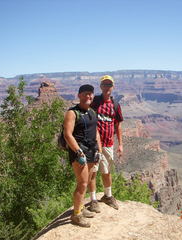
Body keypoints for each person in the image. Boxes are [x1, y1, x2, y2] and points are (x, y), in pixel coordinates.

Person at [63, 84, 103, 228]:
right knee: (82, 183)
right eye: (85, 94)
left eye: (90, 94)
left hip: (92, 150)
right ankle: (76, 215)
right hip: (79, 151)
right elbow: (67, 134)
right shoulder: (72, 113)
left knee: (90, 178)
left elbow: (96, 132)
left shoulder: (92, 112)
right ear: (79, 95)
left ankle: (80, 208)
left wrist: (99, 150)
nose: (88, 96)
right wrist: (78, 152)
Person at [89, 75, 124, 212]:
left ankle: (108, 196)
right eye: (104, 84)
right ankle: (92, 200)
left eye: (109, 84)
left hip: (108, 143)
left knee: (106, 171)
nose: (107, 87)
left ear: (112, 87)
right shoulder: (94, 102)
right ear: (100, 86)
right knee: (93, 172)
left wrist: (120, 144)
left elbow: (118, 126)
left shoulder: (115, 105)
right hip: (93, 143)